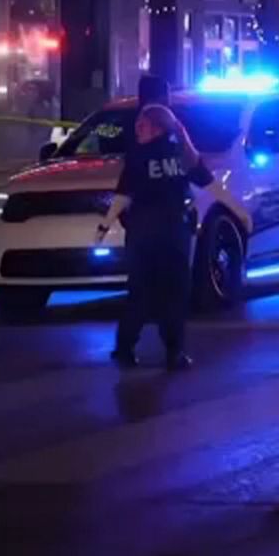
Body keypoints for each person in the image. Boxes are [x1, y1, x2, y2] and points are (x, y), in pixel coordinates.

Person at [97, 104, 210, 370]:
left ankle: (125, 348)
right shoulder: (183, 154)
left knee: (140, 292)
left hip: (143, 235)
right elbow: (202, 186)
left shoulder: (138, 156)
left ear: (157, 127)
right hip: (173, 235)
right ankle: (174, 352)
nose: (137, 130)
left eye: (142, 125)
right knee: (174, 293)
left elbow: (123, 196)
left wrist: (105, 225)